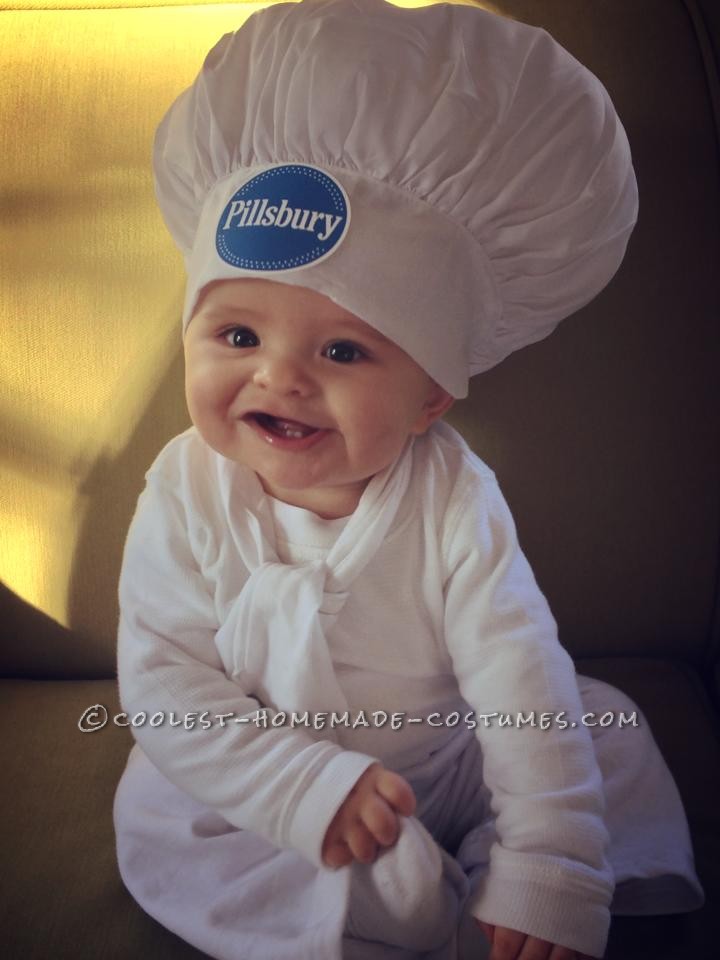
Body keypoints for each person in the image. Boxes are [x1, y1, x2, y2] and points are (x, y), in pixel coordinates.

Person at [113, 2, 704, 959]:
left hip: (446, 750)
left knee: (600, 723)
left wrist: (550, 849)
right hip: (260, 770)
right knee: (178, 818)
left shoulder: (451, 497)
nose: (279, 376)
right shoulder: (186, 488)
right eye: (236, 335)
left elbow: (515, 669)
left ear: (431, 398)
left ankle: (515, 876)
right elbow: (165, 681)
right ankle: (413, 898)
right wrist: (297, 785)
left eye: (344, 349)